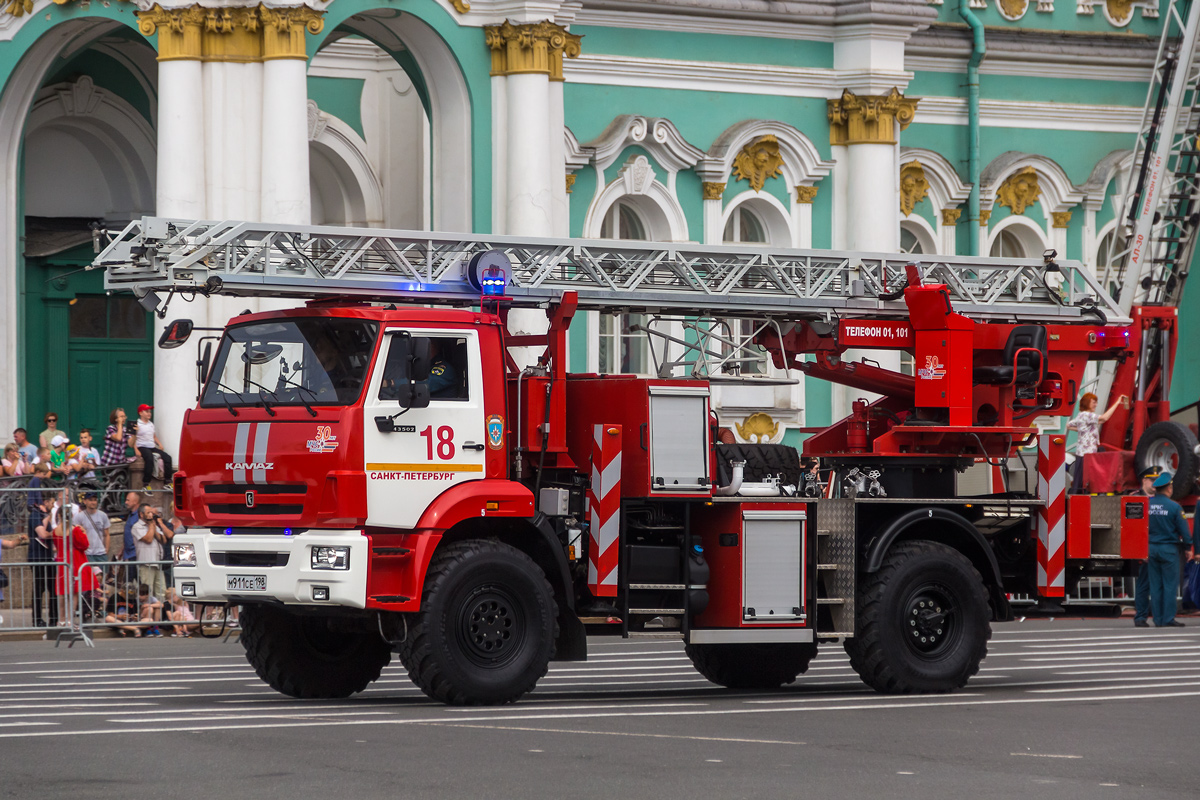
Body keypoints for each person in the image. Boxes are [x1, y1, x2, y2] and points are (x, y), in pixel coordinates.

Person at [1146, 472, 1195, 628]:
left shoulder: (1146, 505)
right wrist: (1188, 547)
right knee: (1169, 585)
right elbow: (1185, 531)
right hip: (1169, 549)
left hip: (1151, 548)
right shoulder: (1174, 507)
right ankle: (1168, 618)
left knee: (1155, 585)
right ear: (1169, 488)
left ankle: (1157, 619)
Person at [1066, 392, 1127, 493]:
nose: (1096, 405)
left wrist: (1083, 430)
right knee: (1086, 479)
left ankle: (1076, 496)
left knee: (1079, 479)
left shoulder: (1081, 416)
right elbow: (1104, 418)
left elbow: (1069, 425)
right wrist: (1117, 403)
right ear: (1087, 403)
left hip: (1083, 452)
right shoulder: (1086, 415)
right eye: (1093, 402)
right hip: (1087, 452)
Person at [26, 462, 56, 627]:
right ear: (47, 501)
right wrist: (55, 533)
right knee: (39, 589)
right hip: (37, 557)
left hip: (48, 557)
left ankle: (53, 618)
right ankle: (37, 619)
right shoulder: (36, 515)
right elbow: (42, 534)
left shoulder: (44, 514)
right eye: (52, 501)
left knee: (52, 588)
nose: (53, 504)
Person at [1133, 467, 1161, 628]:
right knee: (1144, 585)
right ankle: (1141, 617)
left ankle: (1160, 617)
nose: (1155, 484)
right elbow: (1134, 529)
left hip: (1156, 548)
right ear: (1144, 480)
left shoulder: (1159, 499)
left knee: (1159, 585)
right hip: (1145, 549)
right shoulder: (1136, 499)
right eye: (1152, 480)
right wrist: (1140, 551)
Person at [131, 503, 170, 601]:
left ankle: (162, 613)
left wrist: (153, 526)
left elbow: (164, 540)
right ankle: (148, 613)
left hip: (157, 563)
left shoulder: (153, 526)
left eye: (152, 513)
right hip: (146, 564)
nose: (151, 515)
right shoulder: (137, 526)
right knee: (148, 591)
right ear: (141, 514)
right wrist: (152, 525)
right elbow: (148, 539)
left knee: (161, 591)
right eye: (148, 512)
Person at [133, 404, 172, 491]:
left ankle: (168, 481)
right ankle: (146, 483)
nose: (149, 413)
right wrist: (136, 449)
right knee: (149, 458)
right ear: (140, 413)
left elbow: (153, 436)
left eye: (149, 411)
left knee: (167, 458)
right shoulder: (137, 424)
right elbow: (132, 438)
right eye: (146, 411)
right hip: (142, 446)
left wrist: (159, 444)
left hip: (152, 446)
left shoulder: (151, 424)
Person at [75, 491, 110, 565]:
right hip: (87, 554)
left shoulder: (103, 515)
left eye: (95, 500)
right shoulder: (79, 517)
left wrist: (106, 549)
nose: (93, 502)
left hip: (101, 553)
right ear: (85, 501)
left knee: (103, 575)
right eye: (90, 500)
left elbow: (106, 534)